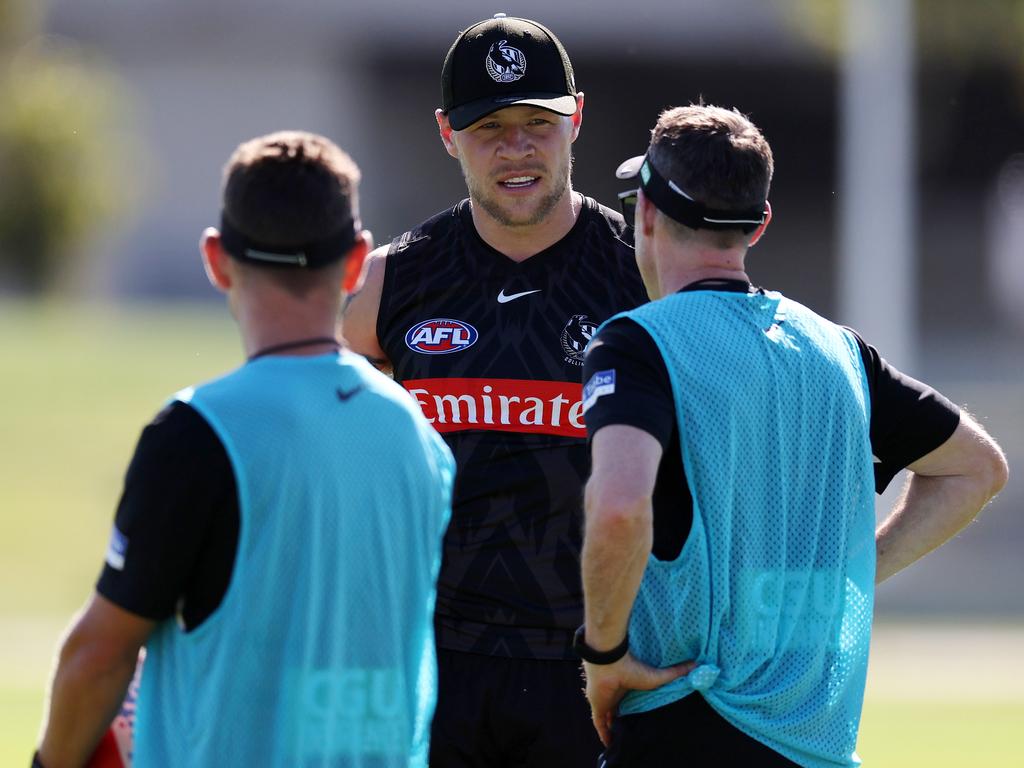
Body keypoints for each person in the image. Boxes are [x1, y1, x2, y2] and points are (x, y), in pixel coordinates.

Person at [577, 104, 1009, 767]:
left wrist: (603, 654)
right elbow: (978, 469)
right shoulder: (838, 351)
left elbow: (617, 506)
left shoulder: (636, 344)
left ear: (647, 214)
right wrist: (854, 574)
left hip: (682, 729)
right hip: (817, 746)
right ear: (760, 223)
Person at [34, 131, 454, 768]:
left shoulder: (196, 432)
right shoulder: (421, 438)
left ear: (215, 258)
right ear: (355, 261)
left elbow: (100, 653)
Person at [343, 13, 647, 768]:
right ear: (448, 132)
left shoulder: (644, 277)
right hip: (433, 669)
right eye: (489, 127)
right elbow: (324, 443)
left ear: (576, 118)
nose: (516, 147)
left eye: (537, 122)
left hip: (599, 669)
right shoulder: (390, 281)